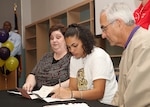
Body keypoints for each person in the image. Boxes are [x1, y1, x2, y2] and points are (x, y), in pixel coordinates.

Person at [51, 23, 118, 105]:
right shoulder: (74, 59)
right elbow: (73, 87)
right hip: (86, 102)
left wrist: (71, 94)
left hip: (107, 103)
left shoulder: (98, 56)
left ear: (85, 41)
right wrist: (61, 92)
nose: (72, 50)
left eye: (75, 45)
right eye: (69, 47)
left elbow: (99, 93)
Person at [100, 2, 150, 107]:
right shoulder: (130, 46)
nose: (103, 35)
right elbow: (120, 94)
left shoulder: (144, 45)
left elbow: (136, 100)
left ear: (118, 23)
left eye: (104, 28)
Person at [22, 24, 71, 92]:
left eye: (58, 37)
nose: (54, 40)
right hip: (37, 94)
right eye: (51, 38)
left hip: (56, 95)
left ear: (66, 39)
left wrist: (52, 89)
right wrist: (28, 83)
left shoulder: (71, 58)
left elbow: (73, 81)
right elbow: (33, 74)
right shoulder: (46, 56)